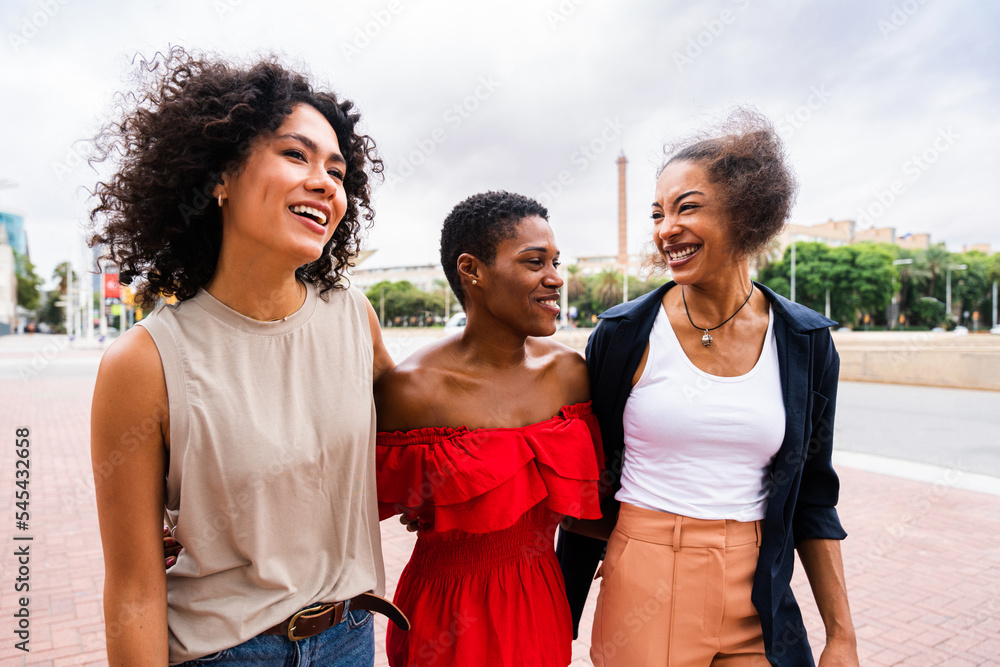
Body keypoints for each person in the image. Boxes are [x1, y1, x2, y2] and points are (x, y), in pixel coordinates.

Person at [89, 47, 404, 666]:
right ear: (220, 177)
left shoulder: (353, 318)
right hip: (223, 653)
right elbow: (132, 584)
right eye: (296, 154)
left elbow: (424, 428)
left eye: (338, 171)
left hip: (349, 639)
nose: (324, 182)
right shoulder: (143, 362)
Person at [557, 109, 859, 666]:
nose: (666, 227)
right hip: (648, 577)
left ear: (748, 214)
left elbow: (815, 492)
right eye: (658, 212)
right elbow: (581, 467)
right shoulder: (624, 335)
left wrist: (841, 635)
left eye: (686, 206)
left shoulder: (806, 341)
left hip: (760, 586)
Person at [374, 191, 605, 666]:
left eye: (556, 262)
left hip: (541, 600)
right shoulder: (411, 392)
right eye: (534, 261)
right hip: (445, 615)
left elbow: (591, 502)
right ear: (472, 270)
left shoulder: (570, 376)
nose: (555, 279)